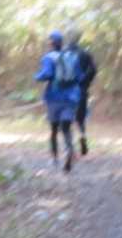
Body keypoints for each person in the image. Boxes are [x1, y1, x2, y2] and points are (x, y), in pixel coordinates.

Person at [35, 29, 82, 172]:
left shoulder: (48, 57)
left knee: (54, 129)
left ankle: (55, 158)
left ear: (51, 43)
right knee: (66, 127)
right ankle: (69, 150)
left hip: (54, 98)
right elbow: (80, 77)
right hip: (71, 98)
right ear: (62, 43)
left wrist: (37, 77)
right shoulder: (72, 57)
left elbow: (47, 74)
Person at [64, 26, 99, 156]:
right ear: (79, 38)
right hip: (81, 91)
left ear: (67, 38)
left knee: (66, 119)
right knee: (80, 118)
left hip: (65, 92)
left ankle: (69, 148)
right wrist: (85, 83)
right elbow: (93, 70)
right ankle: (82, 136)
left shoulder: (62, 53)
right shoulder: (85, 53)